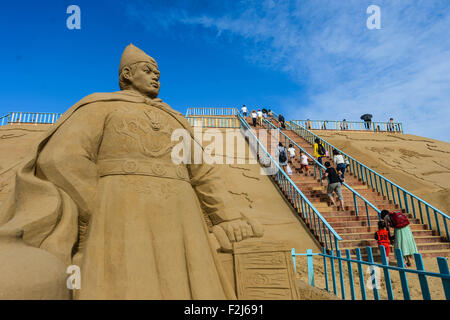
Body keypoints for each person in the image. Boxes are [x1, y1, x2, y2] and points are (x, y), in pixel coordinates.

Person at [0, 44, 263, 300]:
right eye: (148, 71)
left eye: (157, 74)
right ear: (127, 74)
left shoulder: (174, 118)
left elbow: (203, 173)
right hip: (120, 211)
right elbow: (61, 159)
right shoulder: (99, 106)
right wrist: (101, 205)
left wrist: (227, 218)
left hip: (184, 215)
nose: (155, 77)